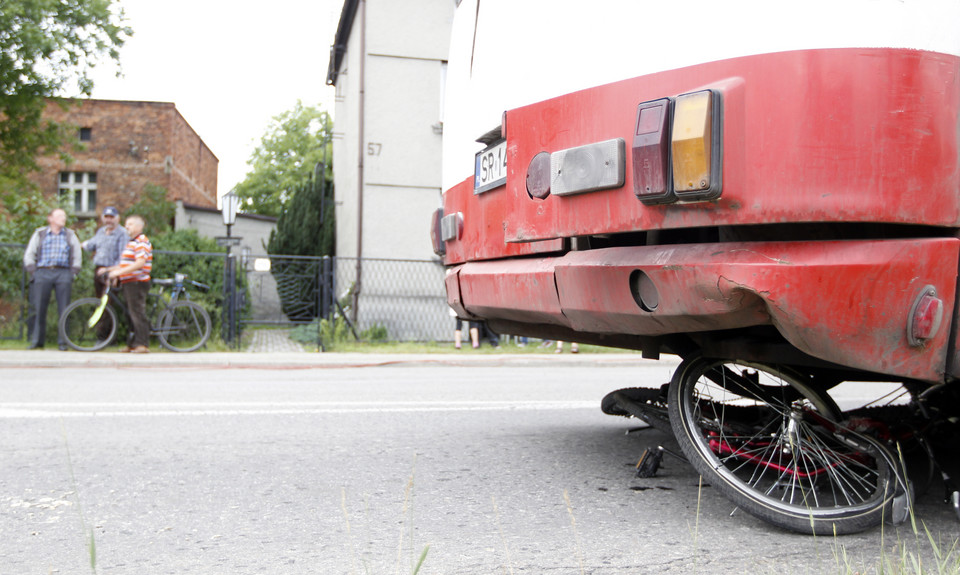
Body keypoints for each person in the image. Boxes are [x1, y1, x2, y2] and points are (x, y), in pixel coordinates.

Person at [23, 208, 82, 350]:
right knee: (39, 308)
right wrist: (33, 271)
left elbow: (77, 254)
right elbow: (29, 253)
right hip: (43, 272)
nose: (63, 218)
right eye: (60, 216)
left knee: (64, 308)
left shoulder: (70, 234)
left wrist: (73, 273)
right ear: (50, 218)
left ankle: (63, 342)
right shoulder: (40, 233)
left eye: (64, 216)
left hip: (63, 272)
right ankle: (37, 341)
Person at [106, 215, 152, 353]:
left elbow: (139, 263)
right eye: (126, 224)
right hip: (128, 281)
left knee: (137, 312)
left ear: (139, 227)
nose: (127, 227)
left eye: (130, 224)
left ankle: (142, 343)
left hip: (137, 282)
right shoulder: (132, 242)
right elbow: (126, 263)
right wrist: (111, 270)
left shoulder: (142, 241)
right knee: (129, 313)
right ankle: (132, 343)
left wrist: (118, 272)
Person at [82, 206, 129, 299]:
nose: (109, 220)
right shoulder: (101, 231)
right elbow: (91, 244)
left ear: (118, 218)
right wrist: (79, 245)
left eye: (111, 217)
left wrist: (115, 273)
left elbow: (122, 256)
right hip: (98, 270)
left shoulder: (122, 233)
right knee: (99, 299)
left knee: (107, 302)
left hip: (111, 271)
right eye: (106, 217)